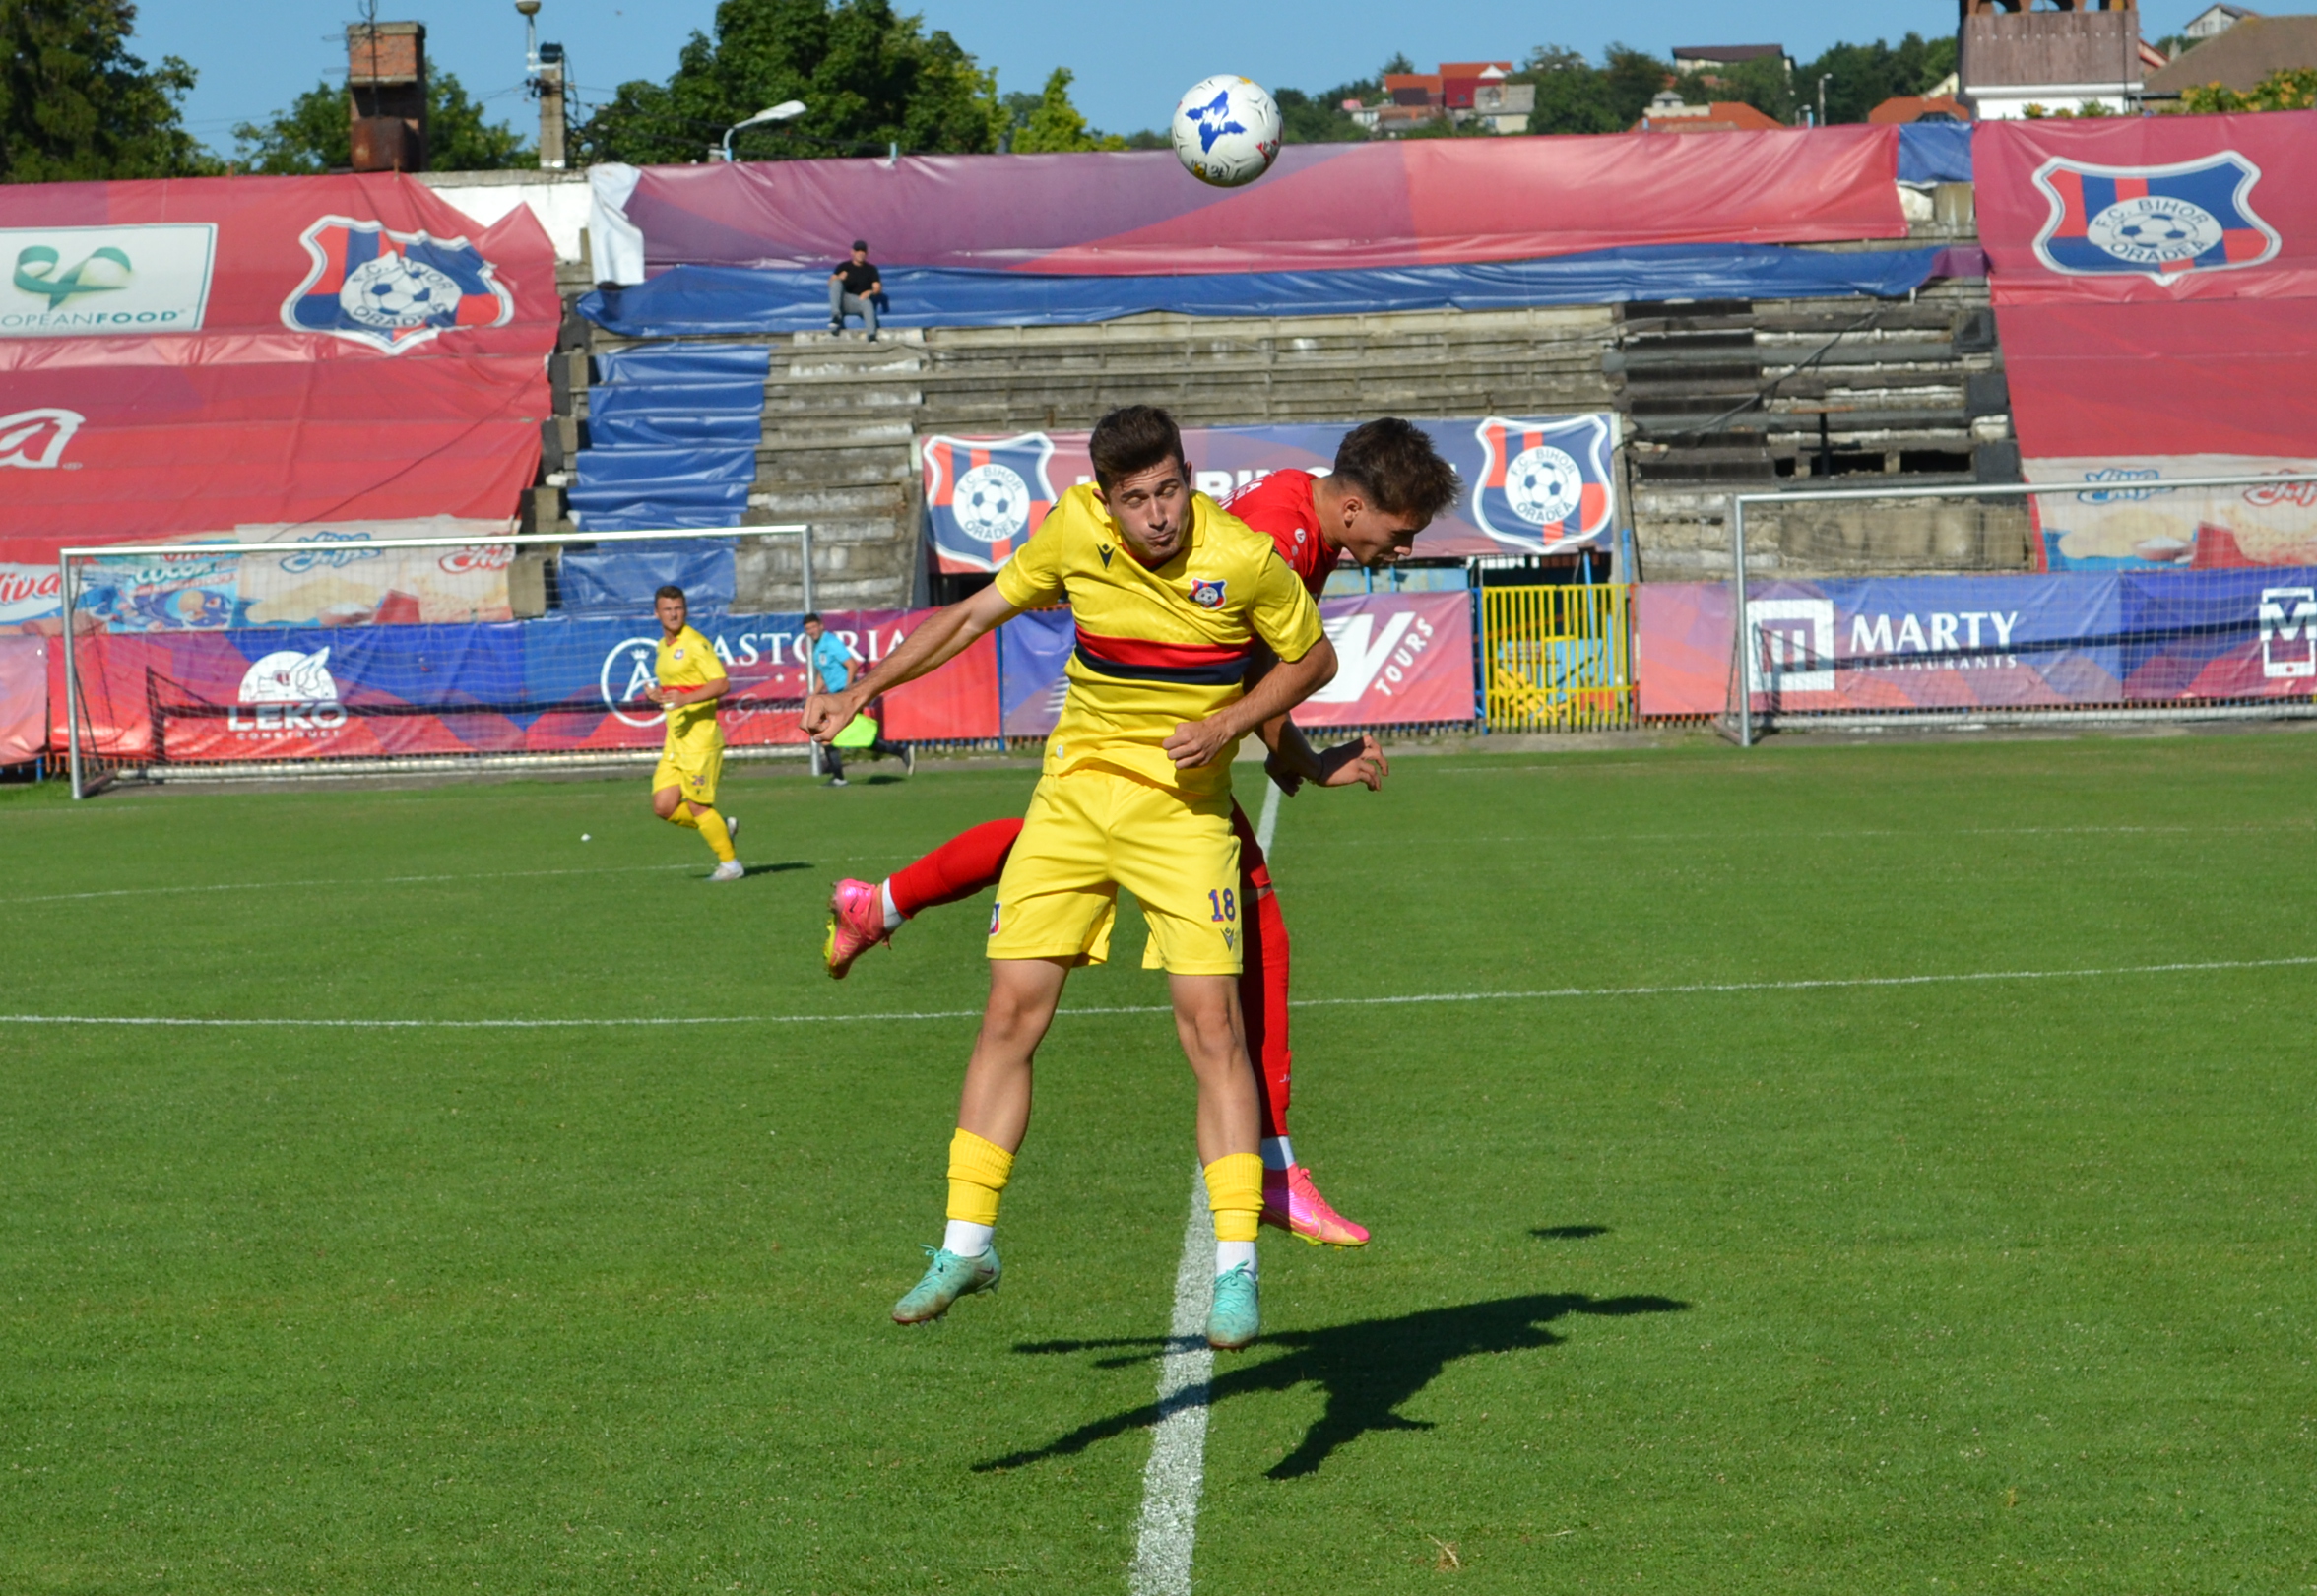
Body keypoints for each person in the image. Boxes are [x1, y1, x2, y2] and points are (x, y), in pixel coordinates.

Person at [822, 418, 1461, 1246]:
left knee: (1052, 851)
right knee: (1253, 922)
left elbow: (1264, 658)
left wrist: (1290, 752)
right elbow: (1251, 664)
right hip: (1159, 751)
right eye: (1401, 533)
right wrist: (1296, 756)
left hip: (1158, 754)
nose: (1404, 549)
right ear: (1351, 507)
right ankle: (1271, 1165)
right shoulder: (1277, 536)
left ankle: (881, 904)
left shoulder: (1302, 518)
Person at [645, 584, 742, 882]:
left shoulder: (696, 644)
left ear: (685, 610)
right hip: (675, 741)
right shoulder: (662, 647)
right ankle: (720, 826)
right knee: (663, 807)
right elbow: (678, 687)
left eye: (678, 609)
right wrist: (658, 694)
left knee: (698, 805)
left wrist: (686, 699)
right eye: (667, 610)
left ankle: (730, 865)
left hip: (700, 741)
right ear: (657, 613)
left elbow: (721, 683)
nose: (673, 615)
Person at [802, 613, 913, 786]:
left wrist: (848, 690)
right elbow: (823, 675)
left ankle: (838, 778)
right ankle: (900, 751)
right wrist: (814, 694)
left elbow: (852, 665)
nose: (812, 631)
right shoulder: (818, 648)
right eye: (808, 629)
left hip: (843, 696)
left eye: (814, 627)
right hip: (836, 697)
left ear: (821, 626)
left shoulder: (831, 642)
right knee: (857, 738)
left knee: (827, 736)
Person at [828, 241, 881, 340]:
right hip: (844, 300)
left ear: (866, 253)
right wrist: (839, 277)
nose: (860, 253)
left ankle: (872, 335)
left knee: (867, 303)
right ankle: (836, 316)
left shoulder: (871, 269)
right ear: (852, 252)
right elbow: (831, 284)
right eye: (857, 250)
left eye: (863, 251)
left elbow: (877, 288)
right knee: (836, 283)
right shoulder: (843, 266)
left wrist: (869, 292)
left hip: (859, 301)